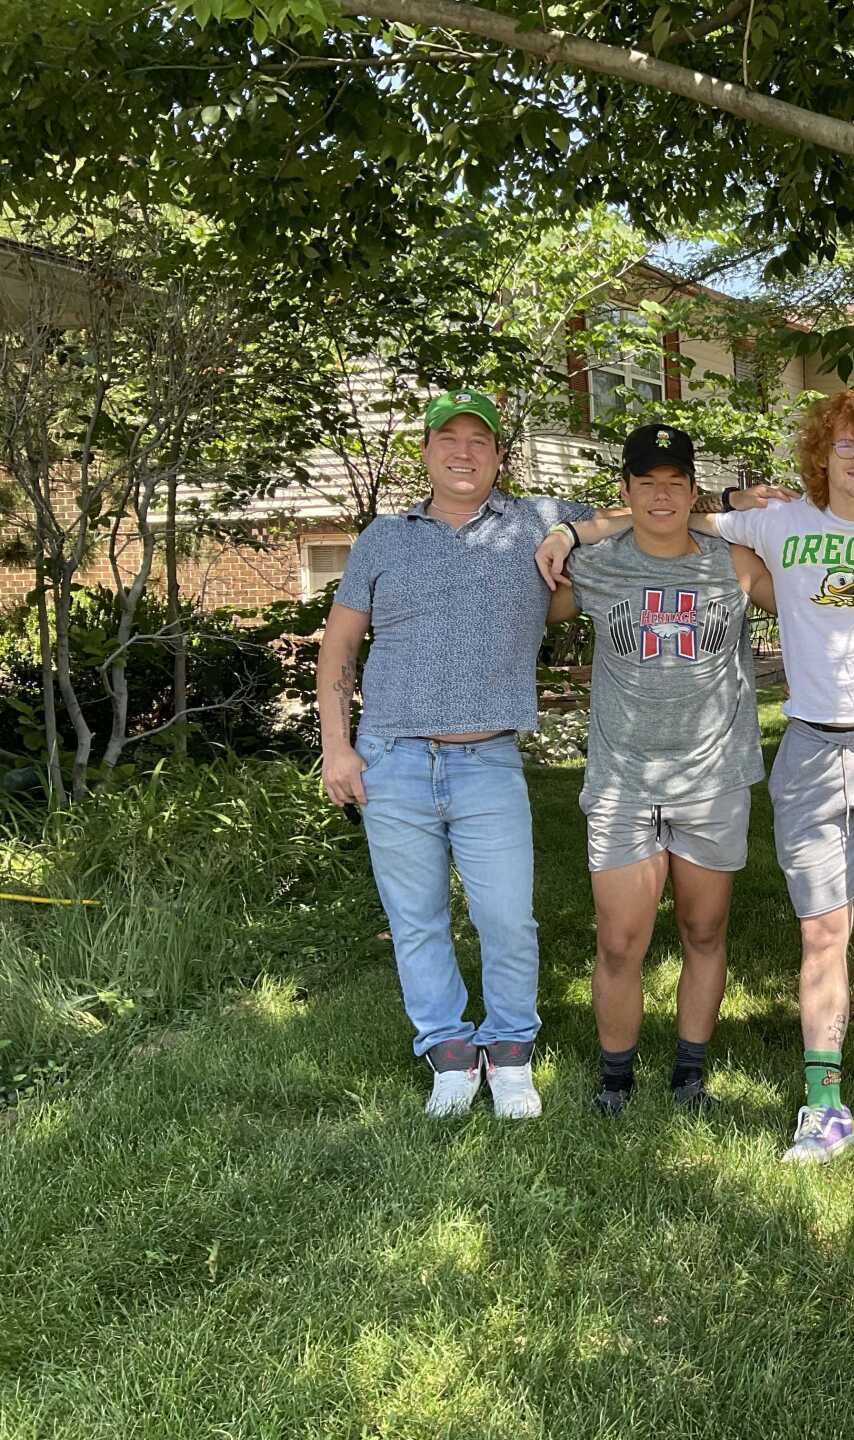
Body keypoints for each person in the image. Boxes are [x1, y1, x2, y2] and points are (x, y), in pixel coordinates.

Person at [538, 390, 854, 1163]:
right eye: (846, 445)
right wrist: (574, 526)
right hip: (806, 741)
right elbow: (672, 515)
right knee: (822, 928)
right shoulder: (775, 525)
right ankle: (820, 1099)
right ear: (821, 452)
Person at [318, 389, 605, 1119]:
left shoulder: (536, 519)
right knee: (415, 918)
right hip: (393, 757)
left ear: (499, 456)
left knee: (508, 917)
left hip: (488, 762)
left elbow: (637, 514)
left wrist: (569, 538)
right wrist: (337, 749)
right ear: (425, 451)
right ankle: (448, 1053)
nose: (464, 452)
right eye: (449, 438)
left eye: (480, 441)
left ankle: (510, 1054)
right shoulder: (383, 536)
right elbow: (341, 645)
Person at [544, 423, 776, 1117]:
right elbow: (525, 607)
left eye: (676, 483)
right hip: (623, 781)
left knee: (704, 932)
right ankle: (615, 1079)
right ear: (626, 491)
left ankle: (689, 1075)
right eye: (647, 483)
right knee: (620, 940)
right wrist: (568, 536)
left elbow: (820, 603)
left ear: (694, 491)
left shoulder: (733, 562)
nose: (661, 495)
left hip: (713, 779)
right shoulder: (597, 564)